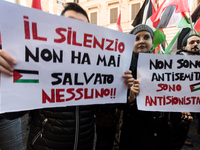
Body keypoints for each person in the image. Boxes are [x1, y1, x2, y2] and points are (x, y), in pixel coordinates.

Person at [0, 3, 134, 150]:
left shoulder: (97, 68)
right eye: (70, 22)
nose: (76, 29)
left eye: (82, 26)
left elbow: (106, 107)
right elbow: (11, 113)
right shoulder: (38, 62)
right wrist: (4, 77)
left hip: (85, 144)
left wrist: (122, 88)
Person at [119, 24, 173, 150]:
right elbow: (115, 103)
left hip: (159, 128)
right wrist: (130, 98)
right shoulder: (122, 67)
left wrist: (182, 107)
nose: (141, 41)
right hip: (134, 130)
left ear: (152, 42)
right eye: (136, 38)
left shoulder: (165, 65)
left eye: (146, 37)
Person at [170, 34, 200, 149]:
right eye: (192, 42)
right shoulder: (176, 61)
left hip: (193, 104)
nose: (196, 44)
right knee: (175, 133)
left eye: (198, 42)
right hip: (177, 105)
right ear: (184, 47)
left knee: (184, 130)